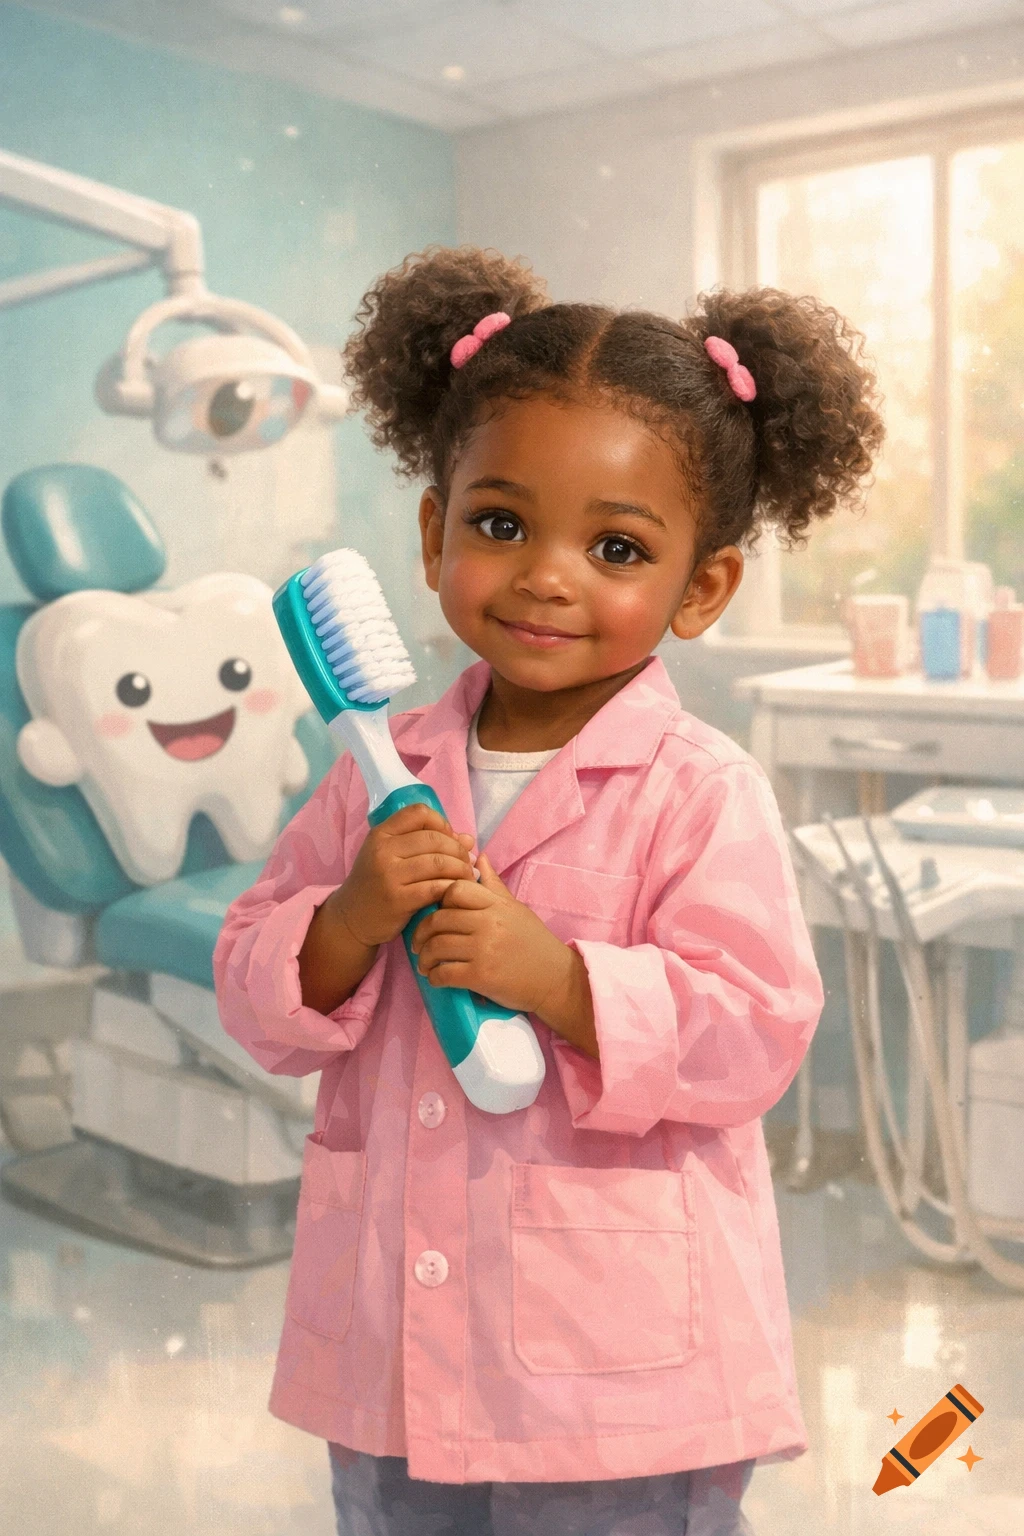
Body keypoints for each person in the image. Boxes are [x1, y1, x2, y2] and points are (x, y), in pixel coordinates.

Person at [214, 246, 884, 1536]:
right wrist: (349, 920)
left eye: (616, 545)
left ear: (703, 587)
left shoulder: (700, 790)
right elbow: (253, 980)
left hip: (617, 1375)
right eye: (501, 523)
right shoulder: (376, 770)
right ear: (433, 529)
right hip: (398, 1354)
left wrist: (558, 978)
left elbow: (757, 1030)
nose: (546, 573)